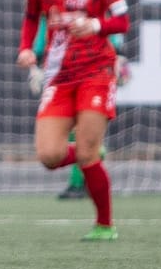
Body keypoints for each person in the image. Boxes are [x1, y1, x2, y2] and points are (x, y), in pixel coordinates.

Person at [15, 0, 129, 241]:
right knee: (49, 155)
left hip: (96, 71)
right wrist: (26, 49)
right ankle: (88, 153)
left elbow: (122, 19)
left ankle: (105, 225)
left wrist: (95, 24)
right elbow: (32, 16)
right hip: (59, 75)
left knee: (87, 151)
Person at [28, 17, 130, 200]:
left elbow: (108, 18)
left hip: (94, 69)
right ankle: (86, 169)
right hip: (60, 71)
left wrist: (119, 55)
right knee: (68, 131)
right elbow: (44, 27)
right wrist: (35, 61)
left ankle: (79, 183)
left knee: (82, 127)